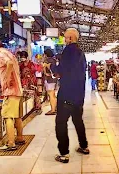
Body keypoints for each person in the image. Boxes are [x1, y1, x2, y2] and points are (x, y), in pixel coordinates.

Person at [46, 28, 89, 163]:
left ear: (70, 38)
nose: (64, 40)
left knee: (61, 123)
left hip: (67, 94)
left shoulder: (68, 52)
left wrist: (50, 67)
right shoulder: (82, 53)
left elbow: (60, 72)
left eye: (65, 38)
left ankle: (64, 153)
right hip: (79, 94)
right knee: (78, 120)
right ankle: (84, 146)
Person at [0, 40, 25, 151]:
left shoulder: (2, 54)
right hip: (18, 89)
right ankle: (19, 137)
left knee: (8, 116)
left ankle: (11, 143)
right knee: (17, 116)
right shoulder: (10, 53)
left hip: (10, 90)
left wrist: (8, 78)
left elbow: (8, 64)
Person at [43, 49, 57, 115]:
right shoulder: (54, 60)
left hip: (49, 79)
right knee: (53, 94)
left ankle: (53, 110)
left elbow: (45, 68)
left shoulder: (47, 60)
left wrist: (45, 72)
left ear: (46, 54)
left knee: (51, 94)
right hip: (54, 79)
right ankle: (55, 108)